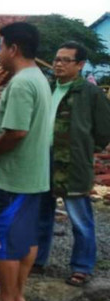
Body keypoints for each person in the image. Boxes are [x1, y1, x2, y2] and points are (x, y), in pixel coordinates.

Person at [0, 22, 51, 301]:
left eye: (1, 47)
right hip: (33, 177)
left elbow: (16, 132)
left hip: (15, 178)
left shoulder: (20, 84)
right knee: (27, 238)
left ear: (13, 48)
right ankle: (17, 294)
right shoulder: (39, 78)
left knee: (4, 237)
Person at [34, 41, 110, 286]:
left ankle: (82, 266)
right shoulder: (47, 88)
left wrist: (85, 149)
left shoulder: (90, 93)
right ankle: (38, 261)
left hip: (74, 164)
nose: (58, 64)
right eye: (56, 59)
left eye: (65, 60)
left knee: (80, 217)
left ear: (80, 64)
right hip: (44, 160)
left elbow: (104, 131)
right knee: (42, 215)